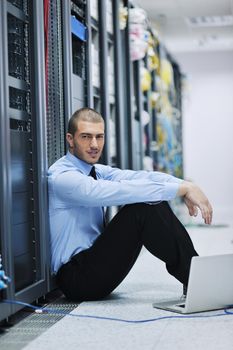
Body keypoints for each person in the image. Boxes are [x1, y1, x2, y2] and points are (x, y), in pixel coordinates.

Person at [48, 107, 213, 302]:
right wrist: (181, 191)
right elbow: (121, 192)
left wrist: (184, 185)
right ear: (70, 139)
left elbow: (141, 176)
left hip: (94, 263)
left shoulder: (97, 171)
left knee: (150, 201)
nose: (94, 144)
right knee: (142, 210)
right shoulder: (63, 178)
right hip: (76, 278)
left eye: (99, 137)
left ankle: (199, 280)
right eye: (85, 137)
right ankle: (201, 282)